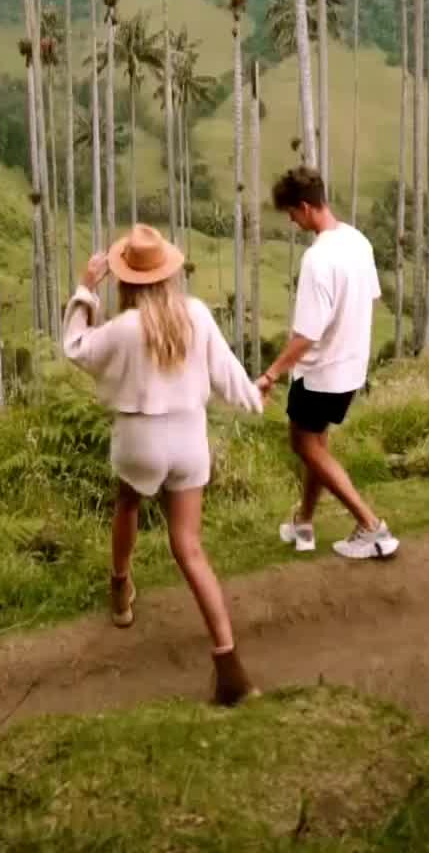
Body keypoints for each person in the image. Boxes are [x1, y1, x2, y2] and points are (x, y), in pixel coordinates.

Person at [63, 221, 263, 706]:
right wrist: (253, 397)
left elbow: (76, 349)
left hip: (140, 440)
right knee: (189, 548)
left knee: (128, 505)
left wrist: (86, 291)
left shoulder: (124, 328)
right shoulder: (194, 314)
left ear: (127, 279)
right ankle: (229, 662)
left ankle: (120, 592)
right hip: (190, 438)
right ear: (169, 274)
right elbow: (227, 371)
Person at [257, 166, 399, 561]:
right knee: (315, 443)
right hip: (351, 368)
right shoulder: (358, 241)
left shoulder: (318, 259)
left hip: (321, 373)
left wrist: (271, 374)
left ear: (305, 207)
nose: (290, 220)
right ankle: (303, 521)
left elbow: (307, 334)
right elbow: (368, 297)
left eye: (291, 213)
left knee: (303, 443)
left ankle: (371, 526)